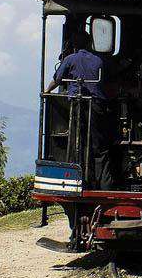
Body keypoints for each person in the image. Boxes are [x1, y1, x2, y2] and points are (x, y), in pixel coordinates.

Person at [45, 31, 112, 188]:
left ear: (74, 45)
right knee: (99, 145)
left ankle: (82, 180)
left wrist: (47, 92)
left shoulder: (70, 59)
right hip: (97, 105)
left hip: (77, 105)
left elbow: (57, 79)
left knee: (79, 142)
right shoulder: (98, 60)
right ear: (90, 43)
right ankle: (102, 183)